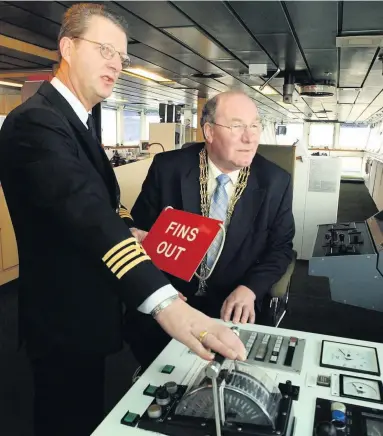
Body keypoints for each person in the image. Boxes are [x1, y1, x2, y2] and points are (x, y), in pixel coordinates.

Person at [0, 5, 245, 436]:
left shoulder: (77, 120)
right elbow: (87, 215)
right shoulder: (36, 122)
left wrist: (133, 229)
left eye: (121, 56)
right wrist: (165, 302)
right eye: (104, 50)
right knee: (66, 420)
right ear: (67, 47)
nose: (115, 63)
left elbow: (104, 204)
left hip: (86, 311)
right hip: (62, 318)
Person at [127, 90, 295, 369]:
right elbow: (141, 231)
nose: (250, 137)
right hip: (173, 298)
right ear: (209, 131)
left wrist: (250, 290)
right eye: (237, 126)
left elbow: (281, 248)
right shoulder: (168, 168)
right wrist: (158, 287)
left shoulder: (275, 181)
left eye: (255, 126)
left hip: (233, 304)